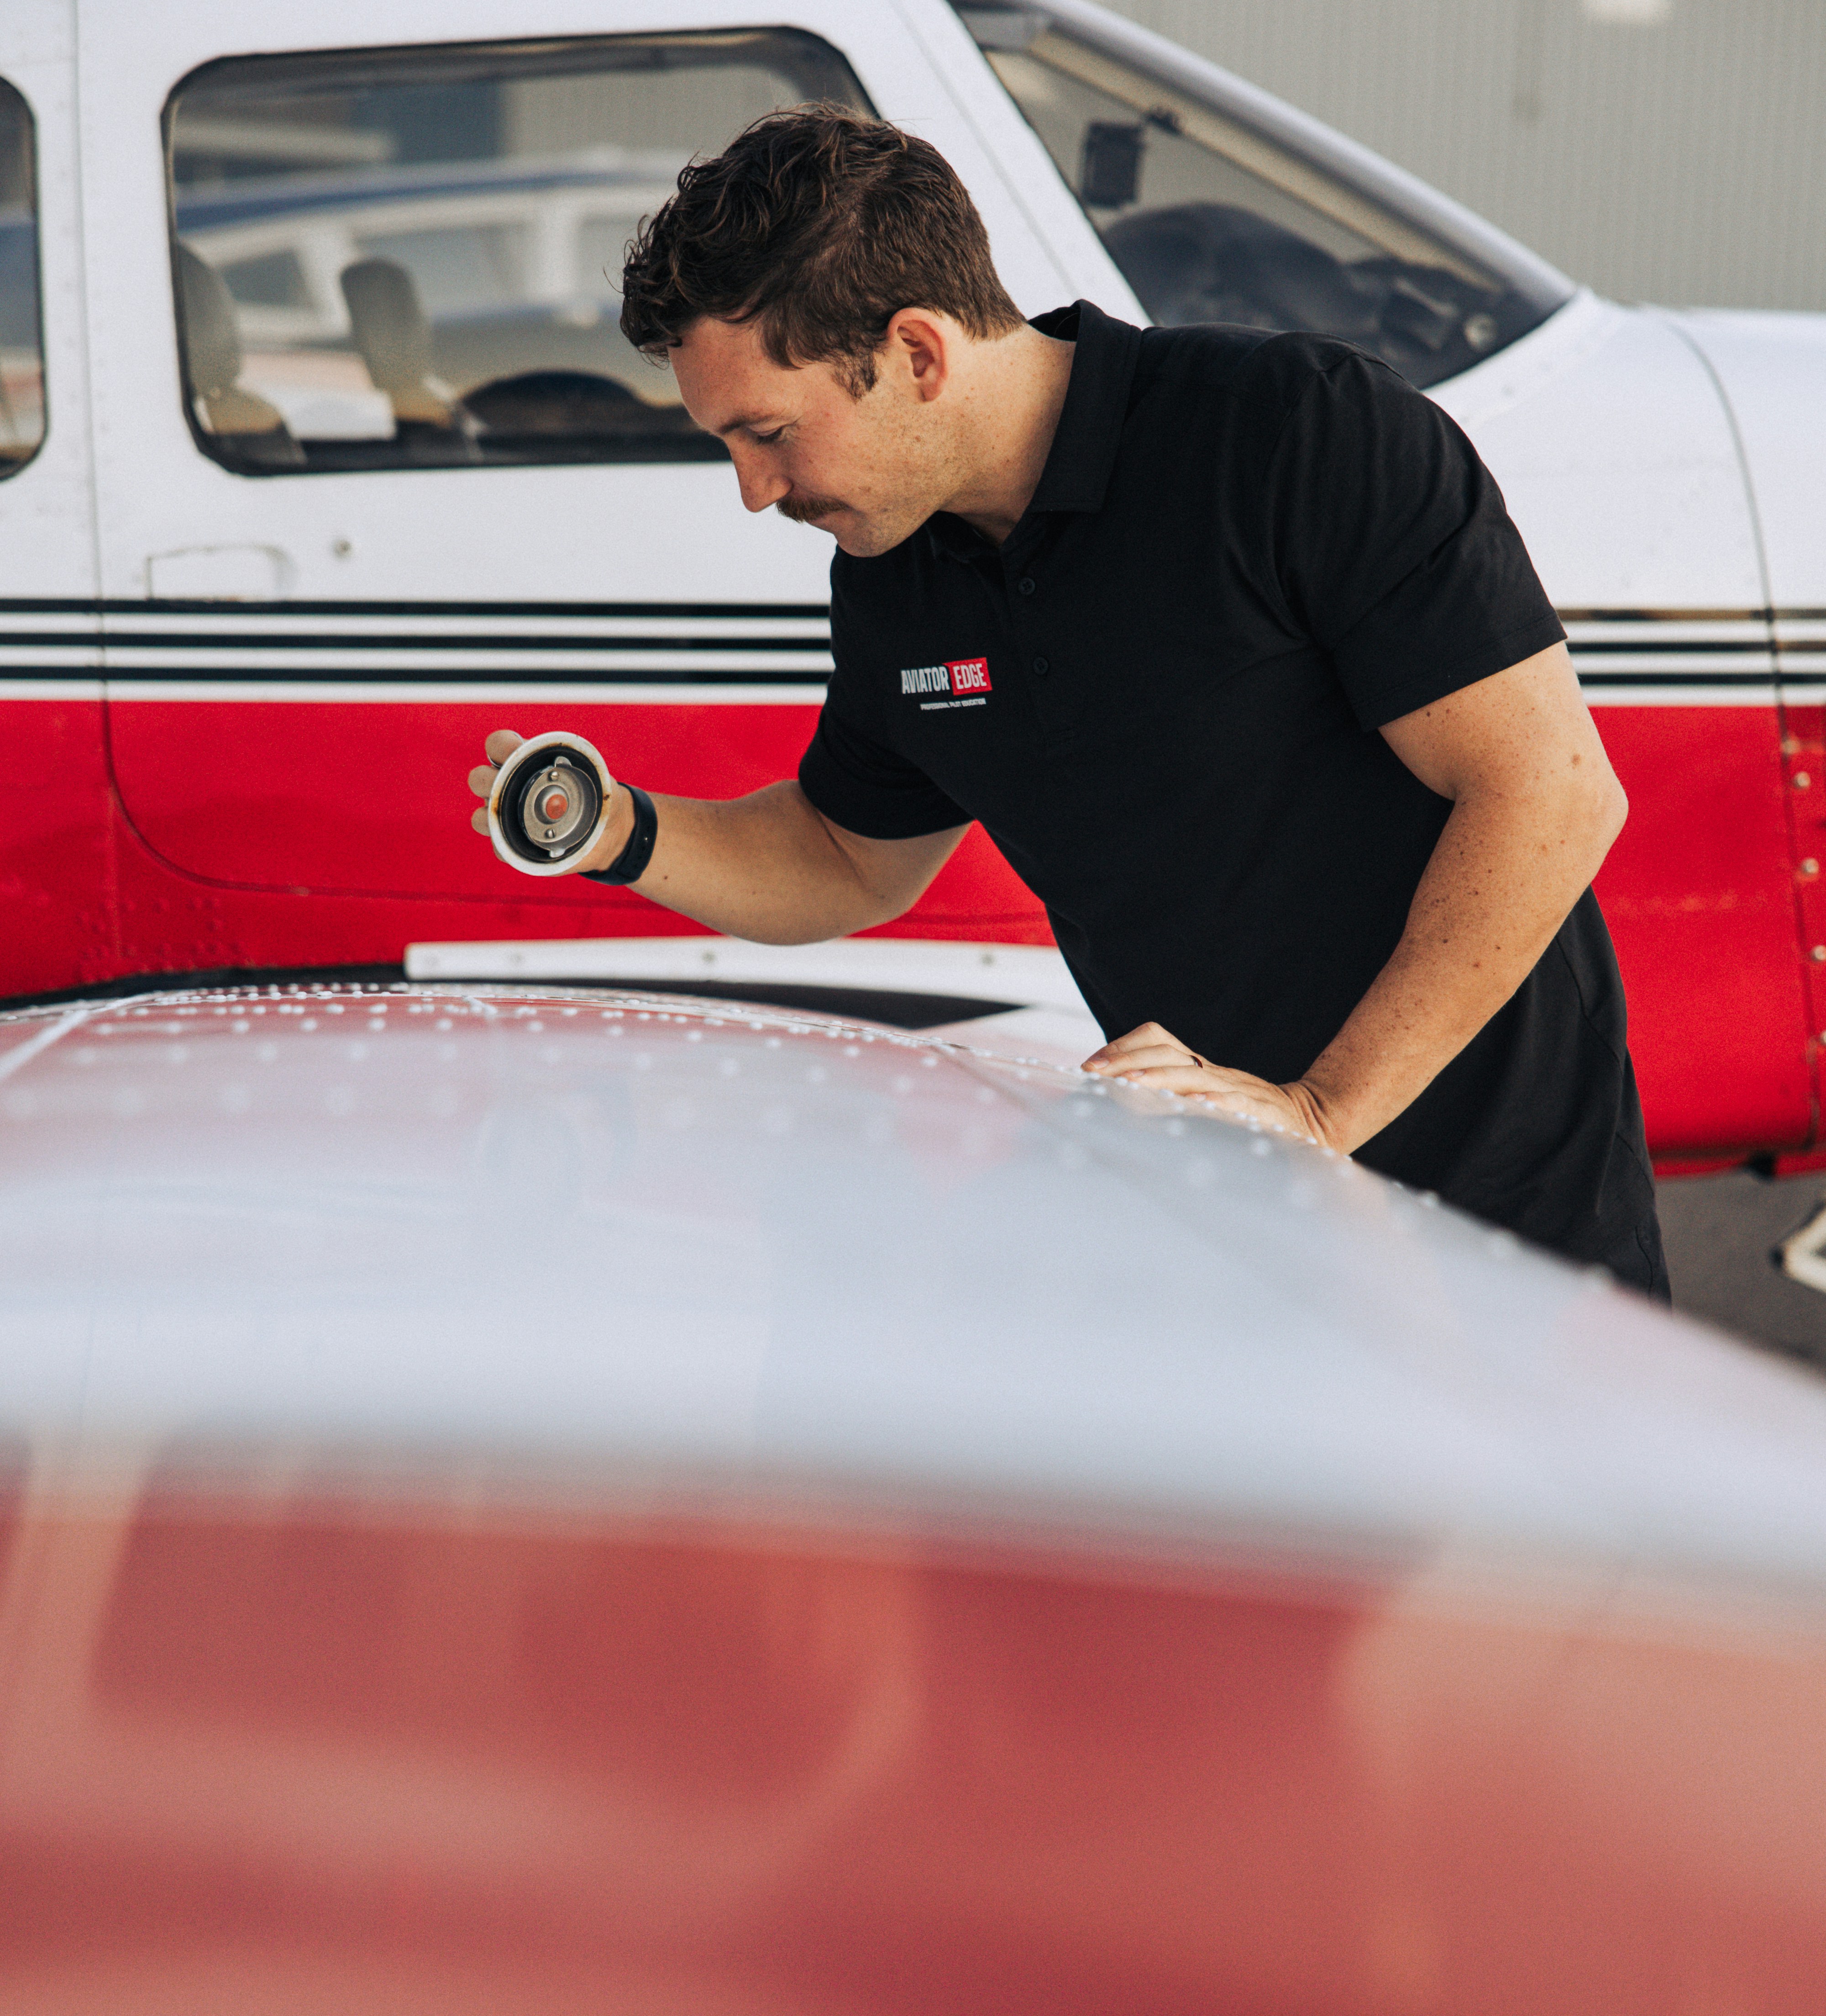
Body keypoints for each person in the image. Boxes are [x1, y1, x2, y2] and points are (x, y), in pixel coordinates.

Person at [469, 106, 1667, 1296]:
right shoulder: (897, 578)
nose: (752, 489)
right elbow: (845, 858)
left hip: (1510, 1235)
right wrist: (612, 830)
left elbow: (1549, 793)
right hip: (1227, 1238)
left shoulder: (1295, 435)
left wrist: (1318, 1113)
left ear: (921, 354)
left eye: (770, 432)